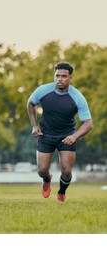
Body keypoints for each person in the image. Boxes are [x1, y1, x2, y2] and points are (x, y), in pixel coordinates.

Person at [27, 62, 92, 202]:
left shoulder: (77, 97)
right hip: (46, 134)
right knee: (42, 171)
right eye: (57, 76)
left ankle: (61, 192)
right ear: (54, 76)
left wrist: (75, 136)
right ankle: (47, 179)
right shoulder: (43, 90)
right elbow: (31, 103)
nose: (60, 79)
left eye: (64, 76)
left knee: (67, 172)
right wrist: (34, 125)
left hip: (67, 136)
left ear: (70, 78)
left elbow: (88, 123)